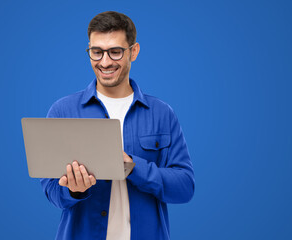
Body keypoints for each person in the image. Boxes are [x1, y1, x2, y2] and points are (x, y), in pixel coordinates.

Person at [40, 11, 194, 240]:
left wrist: (133, 167)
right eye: (97, 52)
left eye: (115, 52)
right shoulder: (62, 111)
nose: (105, 62)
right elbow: (51, 191)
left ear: (133, 52)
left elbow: (184, 187)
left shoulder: (162, 113)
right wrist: (74, 189)